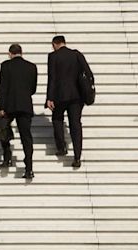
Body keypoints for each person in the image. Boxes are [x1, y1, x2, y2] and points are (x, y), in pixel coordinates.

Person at [45, 35, 93, 168]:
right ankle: (77, 157)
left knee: (57, 119)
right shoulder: (76, 54)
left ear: (55, 44)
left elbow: (52, 78)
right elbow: (88, 73)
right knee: (75, 125)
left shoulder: (53, 56)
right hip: (77, 97)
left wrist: (49, 97)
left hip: (60, 96)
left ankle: (61, 147)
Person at [0, 43, 38, 179]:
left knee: (2, 129)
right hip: (25, 105)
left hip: (9, 105)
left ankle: (7, 157)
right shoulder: (32, 66)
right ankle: (29, 168)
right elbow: (33, 88)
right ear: (22, 52)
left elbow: (2, 88)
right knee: (26, 137)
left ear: (10, 53)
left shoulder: (5, 66)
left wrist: (1, 107)